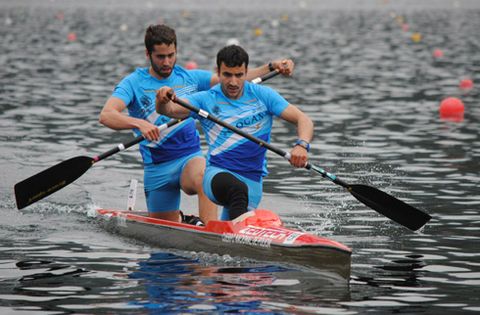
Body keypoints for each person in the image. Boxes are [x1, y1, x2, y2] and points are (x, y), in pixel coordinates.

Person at [99, 24, 295, 224]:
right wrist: (139, 123)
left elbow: (232, 76)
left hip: (188, 159)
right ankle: (183, 220)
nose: (167, 62)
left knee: (203, 177)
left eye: (171, 55)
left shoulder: (190, 78)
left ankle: (210, 231)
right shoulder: (132, 83)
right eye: (160, 56)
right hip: (157, 167)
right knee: (165, 230)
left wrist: (272, 66)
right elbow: (107, 115)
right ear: (147, 54)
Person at [155, 45, 313, 221]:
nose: (233, 82)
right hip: (217, 175)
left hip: (253, 180)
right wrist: (162, 99)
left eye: (239, 75)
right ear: (218, 72)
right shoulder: (206, 99)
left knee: (230, 225)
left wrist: (302, 145)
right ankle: (239, 235)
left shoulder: (264, 95)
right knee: (237, 191)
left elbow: (303, 119)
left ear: (246, 73)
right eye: (227, 75)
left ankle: (210, 233)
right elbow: (168, 110)